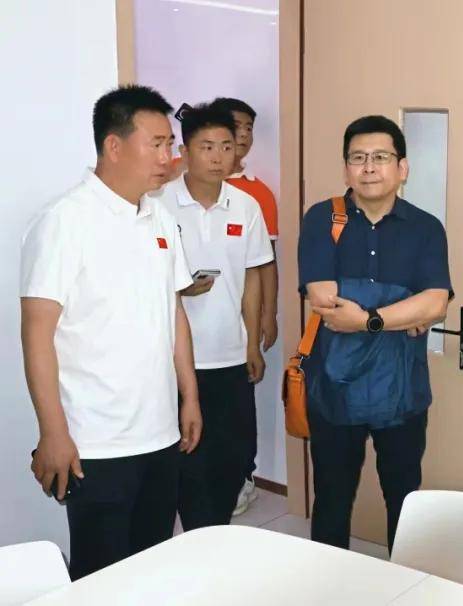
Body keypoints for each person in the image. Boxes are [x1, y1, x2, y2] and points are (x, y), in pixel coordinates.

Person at [20, 85, 202, 579]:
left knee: (151, 564)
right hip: (95, 442)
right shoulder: (64, 221)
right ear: (114, 146)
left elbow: (173, 311)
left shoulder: (159, 217)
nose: (168, 157)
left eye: (170, 144)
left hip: (159, 432)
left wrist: (189, 396)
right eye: (156, 144)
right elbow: (37, 333)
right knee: (101, 577)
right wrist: (53, 432)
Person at [298, 115, 451, 552]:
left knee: (405, 505)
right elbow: (324, 300)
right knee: (331, 502)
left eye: (381, 157)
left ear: (402, 168)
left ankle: (402, 585)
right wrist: (404, 306)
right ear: (346, 168)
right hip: (334, 390)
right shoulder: (322, 218)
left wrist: (367, 317)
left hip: (401, 393)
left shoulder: (426, 227)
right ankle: (329, 584)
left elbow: (436, 304)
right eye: (358, 158)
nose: (369, 168)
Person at [154, 103, 274, 529]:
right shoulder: (159, 204)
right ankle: (194, 536)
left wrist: (252, 343)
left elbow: (253, 276)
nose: (219, 156)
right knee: (186, 460)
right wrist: (180, 287)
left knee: (233, 455)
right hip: (174, 360)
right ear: (184, 151)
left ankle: (215, 532)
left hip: (229, 354)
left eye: (226, 146)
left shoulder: (245, 206)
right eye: (207, 147)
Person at [209, 97, 279, 515]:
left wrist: (268, 314)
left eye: (249, 128)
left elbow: (265, 263)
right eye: (236, 126)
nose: (244, 135)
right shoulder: (172, 188)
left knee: (238, 408)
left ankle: (242, 479)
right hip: (187, 331)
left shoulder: (257, 194)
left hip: (239, 326)